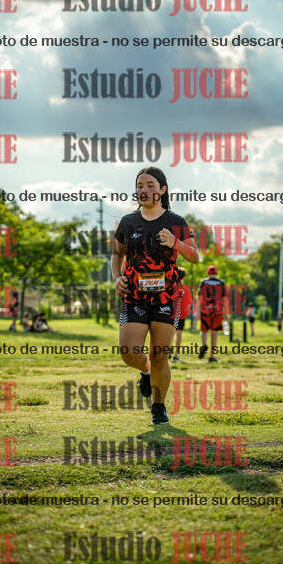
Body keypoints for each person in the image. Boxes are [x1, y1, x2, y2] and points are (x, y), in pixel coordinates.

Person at [111, 167, 199, 424]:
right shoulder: (128, 222)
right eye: (140, 186)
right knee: (128, 352)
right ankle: (146, 370)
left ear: (162, 190)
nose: (144, 190)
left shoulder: (176, 222)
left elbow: (195, 256)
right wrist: (116, 278)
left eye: (150, 185)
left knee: (160, 353)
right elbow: (117, 254)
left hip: (167, 297)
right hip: (134, 295)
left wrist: (176, 243)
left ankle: (158, 406)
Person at [197, 265, 230, 362]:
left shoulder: (203, 282)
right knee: (214, 333)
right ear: (216, 273)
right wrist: (227, 313)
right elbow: (225, 299)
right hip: (217, 311)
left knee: (204, 331)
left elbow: (200, 297)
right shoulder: (221, 283)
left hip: (205, 311)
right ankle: (212, 356)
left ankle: (204, 344)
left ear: (208, 273)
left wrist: (197, 310)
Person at [170, 267, 192, 362]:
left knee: (170, 333)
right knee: (179, 334)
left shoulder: (171, 287)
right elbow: (189, 303)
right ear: (184, 277)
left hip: (171, 314)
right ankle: (176, 355)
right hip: (181, 315)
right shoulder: (186, 289)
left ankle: (168, 349)